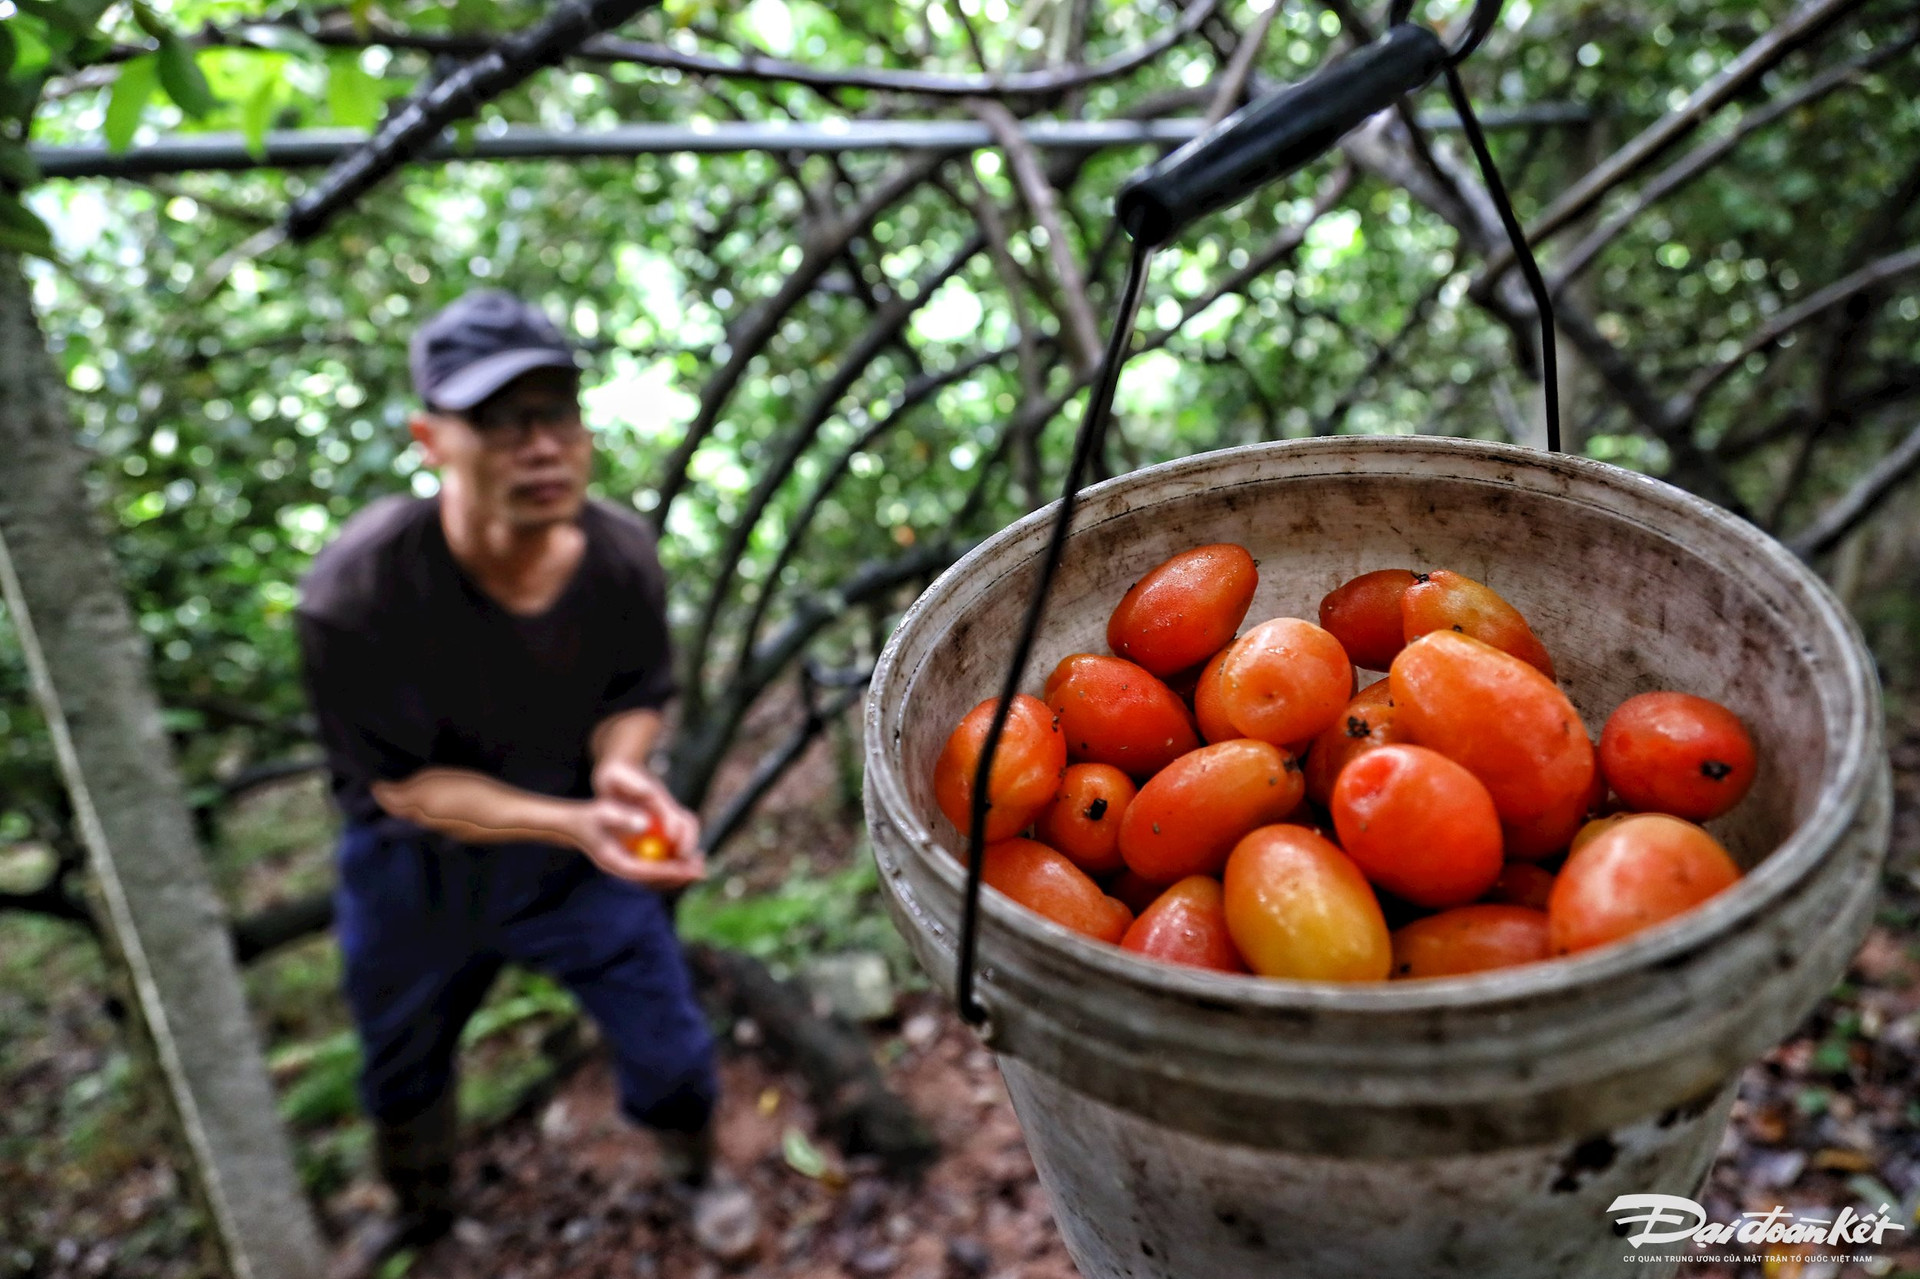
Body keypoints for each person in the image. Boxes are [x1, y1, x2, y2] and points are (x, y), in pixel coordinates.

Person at [296, 289, 746, 1269]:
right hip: (417, 865)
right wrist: (577, 819)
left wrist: (621, 777)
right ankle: (420, 1207)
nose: (540, 445)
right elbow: (406, 788)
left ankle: (696, 1170)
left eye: (557, 414)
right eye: (500, 422)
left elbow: (639, 694)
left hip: (575, 865)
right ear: (430, 439)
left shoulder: (621, 557)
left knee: (667, 1036)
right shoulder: (358, 595)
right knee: (402, 1058)